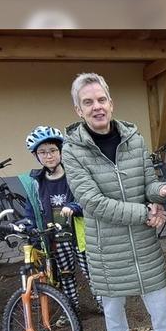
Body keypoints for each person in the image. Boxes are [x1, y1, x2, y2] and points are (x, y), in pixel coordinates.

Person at [62, 73, 166, 331]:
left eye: (101, 100)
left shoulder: (134, 138)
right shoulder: (72, 151)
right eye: (88, 102)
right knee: (113, 311)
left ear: (111, 103)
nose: (97, 107)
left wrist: (162, 194)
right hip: (106, 248)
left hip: (143, 243)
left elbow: (148, 182)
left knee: (160, 306)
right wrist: (146, 211)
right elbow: (92, 202)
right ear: (78, 110)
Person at [20, 125, 102, 315]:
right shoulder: (35, 183)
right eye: (43, 152)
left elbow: (90, 198)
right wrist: (27, 225)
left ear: (61, 151)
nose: (49, 156)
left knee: (92, 273)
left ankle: (102, 304)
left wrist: (74, 207)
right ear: (36, 156)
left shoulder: (75, 175)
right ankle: (71, 310)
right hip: (56, 240)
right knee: (65, 276)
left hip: (79, 237)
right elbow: (31, 210)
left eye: (53, 151)